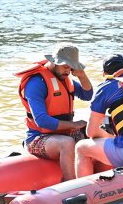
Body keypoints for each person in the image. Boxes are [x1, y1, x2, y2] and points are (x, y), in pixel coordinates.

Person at [15, 44, 93, 181]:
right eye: (65, 66)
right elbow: (42, 121)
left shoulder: (65, 79)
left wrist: (81, 75)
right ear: (54, 62)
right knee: (67, 143)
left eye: (70, 67)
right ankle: (71, 185)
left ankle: (95, 179)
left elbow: (87, 95)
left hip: (62, 134)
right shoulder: (36, 83)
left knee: (94, 130)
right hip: (37, 138)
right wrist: (73, 125)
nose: (68, 71)